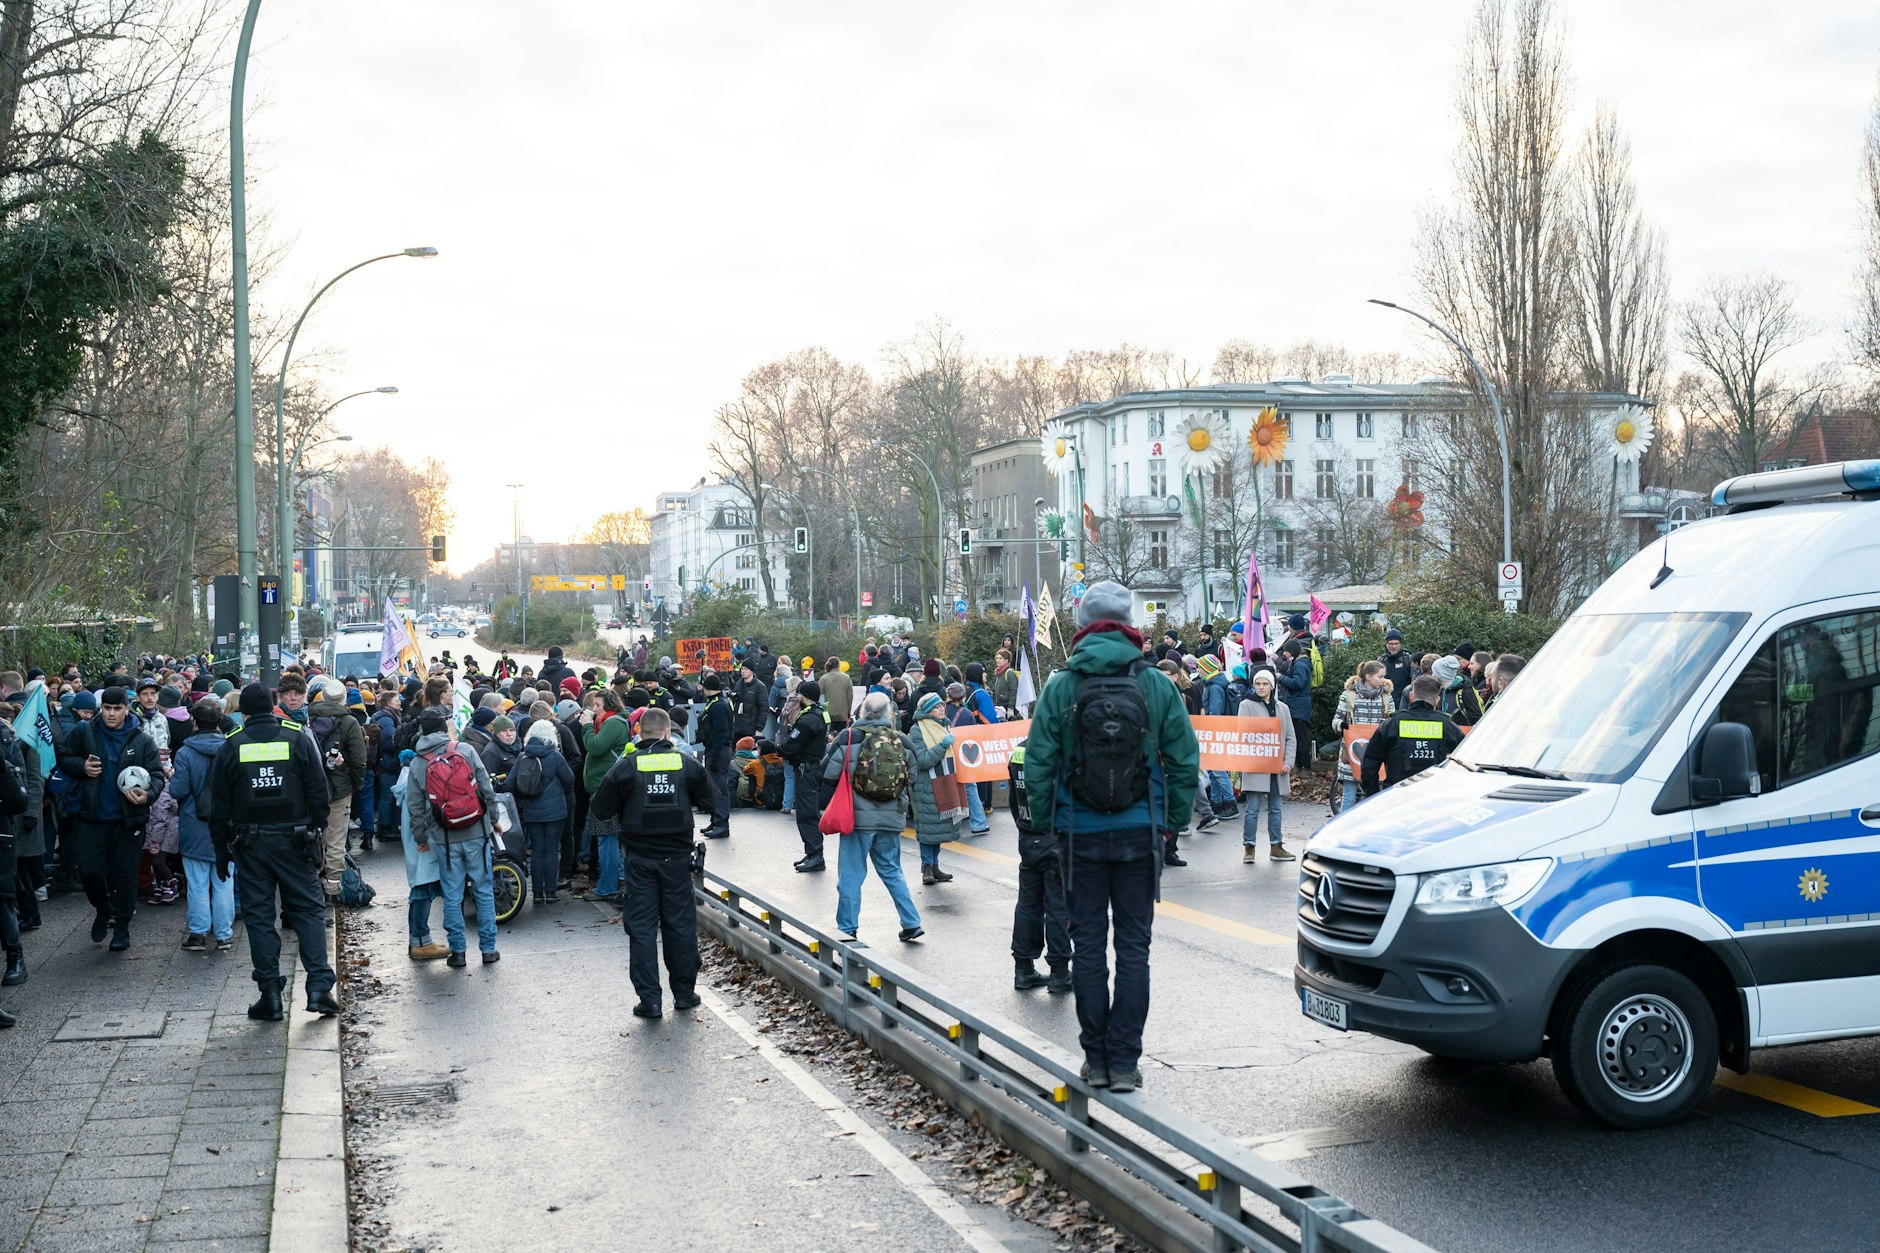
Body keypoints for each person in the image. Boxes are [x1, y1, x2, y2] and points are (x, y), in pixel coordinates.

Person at [1022, 580, 1198, 1094]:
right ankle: (1125, 1063)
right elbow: (1185, 760)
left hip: (1079, 836)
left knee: (1090, 949)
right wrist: (1171, 824)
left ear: (1082, 626)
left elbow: (1038, 762)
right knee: (1135, 950)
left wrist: (1049, 822)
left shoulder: (1061, 685)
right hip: (1140, 833)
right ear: (1130, 624)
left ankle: (1095, 1059)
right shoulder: (1156, 684)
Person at [204, 684, 339, 1021]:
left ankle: (270, 996)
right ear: (274, 706)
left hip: (251, 846)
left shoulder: (232, 745)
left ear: (244, 712)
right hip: (296, 841)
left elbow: (218, 805)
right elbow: (319, 789)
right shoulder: (296, 738)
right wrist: (317, 830)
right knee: (308, 911)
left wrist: (220, 851)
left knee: (260, 918)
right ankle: (320, 988)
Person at [590, 707, 710, 1018]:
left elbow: (600, 809)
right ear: (668, 733)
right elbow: (713, 801)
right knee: (680, 926)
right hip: (678, 860)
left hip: (640, 859)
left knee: (642, 929)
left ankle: (650, 1001)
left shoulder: (627, 766)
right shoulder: (686, 763)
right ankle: (684, 994)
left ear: (639, 733)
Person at [57, 686, 166, 952]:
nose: (111, 714)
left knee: (125, 875)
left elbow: (157, 775)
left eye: (117, 709)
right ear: (100, 708)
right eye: (107, 708)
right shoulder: (85, 732)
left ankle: (122, 927)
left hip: (128, 821)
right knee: (90, 871)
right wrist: (81, 767)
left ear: (127, 709)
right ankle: (103, 908)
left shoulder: (142, 740)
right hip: (93, 817)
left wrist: (147, 795)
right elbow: (63, 757)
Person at [819, 692, 924, 943]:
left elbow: (827, 772)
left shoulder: (849, 737)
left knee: (851, 875)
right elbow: (915, 776)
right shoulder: (901, 740)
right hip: (891, 817)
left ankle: (847, 927)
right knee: (892, 870)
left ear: (862, 711)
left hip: (857, 818)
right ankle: (911, 922)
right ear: (889, 713)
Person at [407, 707, 502, 967]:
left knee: (452, 894)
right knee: (483, 891)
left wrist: (421, 837)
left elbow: (415, 807)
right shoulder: (465, 750)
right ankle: (488, 949)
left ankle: (458, 952)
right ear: (443, 727)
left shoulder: (418, 763)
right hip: (477, 830)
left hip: (444, 836)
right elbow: (485, 787)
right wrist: (494, 819)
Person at [170, 699, 236, 952]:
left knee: (197, 883)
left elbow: (178, 790)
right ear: (219, 722)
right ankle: (224, 935)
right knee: (224, 881)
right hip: (226, 826)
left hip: (194, 826)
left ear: (195, 722)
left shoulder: (185, 753)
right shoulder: (230, 749)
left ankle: (198, 934)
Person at [1008, 737, 1071, 994]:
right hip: (1056, 838)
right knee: (1058, 908)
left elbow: (1014, 797)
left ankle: (1023, 970)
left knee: (1028, 905)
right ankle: (1059, 974)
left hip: (1029, 836)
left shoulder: (1020, 750)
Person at [305, 677, 365, 902]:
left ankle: (314, 880)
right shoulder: (348, 722)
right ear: (343, 699)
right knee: (337, 837)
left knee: (314, 835)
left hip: (312, 787)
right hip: (339, 789)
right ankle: (332, 888)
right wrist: (355, 784)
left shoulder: (307, 717)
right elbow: (359, 760)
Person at [1360, 675, 1466, 797]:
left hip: (1395, 798)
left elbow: (1369, 762)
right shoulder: (1449, 727)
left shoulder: (1391, 725)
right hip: (1436, 799)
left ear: (1411, 696)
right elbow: (1465, 764)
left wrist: (1373, 795)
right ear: (1437, 700)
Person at [510, 719, 576, 906]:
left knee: (537, 850)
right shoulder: (555, 756)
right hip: (555, 810)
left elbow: (511, 782)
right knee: (552, 849)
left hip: (531, 810)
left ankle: (537, 893)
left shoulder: (523, 756)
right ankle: (550, 891)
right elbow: (569, 779)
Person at [391, 748, 447, 961]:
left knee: (421, 888)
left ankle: (420, 940)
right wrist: (424, 840)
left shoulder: (406, 782)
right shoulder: (416, 783)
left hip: (416, 844)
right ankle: (420, 940)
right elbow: (420, 815)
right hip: (422, 845)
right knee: (422, 890)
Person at [1237, 669, 1297, 863]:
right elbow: (1242, 733)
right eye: (1258, 684)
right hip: (1256, 765)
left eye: (1265, 684)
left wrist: (1288, 761)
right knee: (1252, 808)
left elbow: (1290, 737)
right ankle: (1249, 847)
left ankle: (1276, 846)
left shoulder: (1283, 708)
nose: (1261, 687)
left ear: (1272, 685)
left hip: (1277, 767)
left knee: (1276, 808)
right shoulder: (1246, 705)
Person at [581, 690, 634, 898]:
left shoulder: (612, 724)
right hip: (604, 788)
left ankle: (608, 886)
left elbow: (595, 747)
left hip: (606, 790)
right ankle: (617, 879)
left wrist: (586, 727)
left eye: (597, 706)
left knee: (607, 838)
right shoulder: (611, 722)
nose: (594, 710)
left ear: (609, 706)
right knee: (610, 837)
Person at [906, 693, 963, 885]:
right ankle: (927, 867)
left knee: (938, 828)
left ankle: (935, 865)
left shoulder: (945, 726)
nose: (941, 709)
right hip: (926, 784)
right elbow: (923, 760)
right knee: (928, 828)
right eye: (936, 706)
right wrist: (942, 745)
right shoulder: (917, 730)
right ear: (927, 710)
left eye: (942, 706)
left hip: (944, 782)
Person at [1331, 661, 1395, 814]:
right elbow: (1335, 721)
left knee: (1377, 797)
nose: (1383, 680)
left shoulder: (1386, 697)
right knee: (1349, 796)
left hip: (1378, 754)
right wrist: (1342, 725)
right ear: (1368, 676)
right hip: (1353, 754)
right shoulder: (1349, 695)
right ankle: (1343, 829)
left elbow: (1393, 722)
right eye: (1380, 676)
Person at [779, 679, 828, 871]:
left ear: (804, 696)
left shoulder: (809, 719)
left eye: (799, 694)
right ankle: (811, 851)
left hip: (806, 769)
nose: (797, 697)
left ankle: (816, 854)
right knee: (807, 811)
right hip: (810, 767)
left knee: (807, 814)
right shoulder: (818, 713)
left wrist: (776, 748)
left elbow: (792, 744)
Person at [694, 674, 733, 839]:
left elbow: (720, 732)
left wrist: (715, 754)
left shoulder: (718, 706)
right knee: (714, 787)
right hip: (714, 749)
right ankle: (716, 820)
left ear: (706, 687)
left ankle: (722, 823)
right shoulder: (716, 703)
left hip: (719, 750)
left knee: (719, 788)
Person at [1274, 640, 1314, 773]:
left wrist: (1281, 678)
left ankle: (1305, 767)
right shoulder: (1298, 663)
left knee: (1300, 737)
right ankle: (1299, 765)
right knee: (1296, 735)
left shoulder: (1300, 665)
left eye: (1285, 651)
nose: (1283, 654)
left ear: (1291, 651)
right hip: (1297, 705)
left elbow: (1298, 683)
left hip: (1298, 705)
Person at [818, 657, 853, 739]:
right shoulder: (846, 677)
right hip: (842, 713)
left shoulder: (823, 678)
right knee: (841, 737)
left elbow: (820, 697)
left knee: (828, 736)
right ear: (839, 665)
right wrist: (848, 712)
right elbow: (850, 696)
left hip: (827, 714)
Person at [1379, 629, 1415, 700]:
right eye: (1391, 644)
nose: (1394, 646)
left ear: (1400, 643)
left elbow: (1415, 682)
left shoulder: (1408, 659)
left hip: (1404, 701)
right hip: (1386, 700)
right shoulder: (1381, 660)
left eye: (1396, 644)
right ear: (1386, 644)